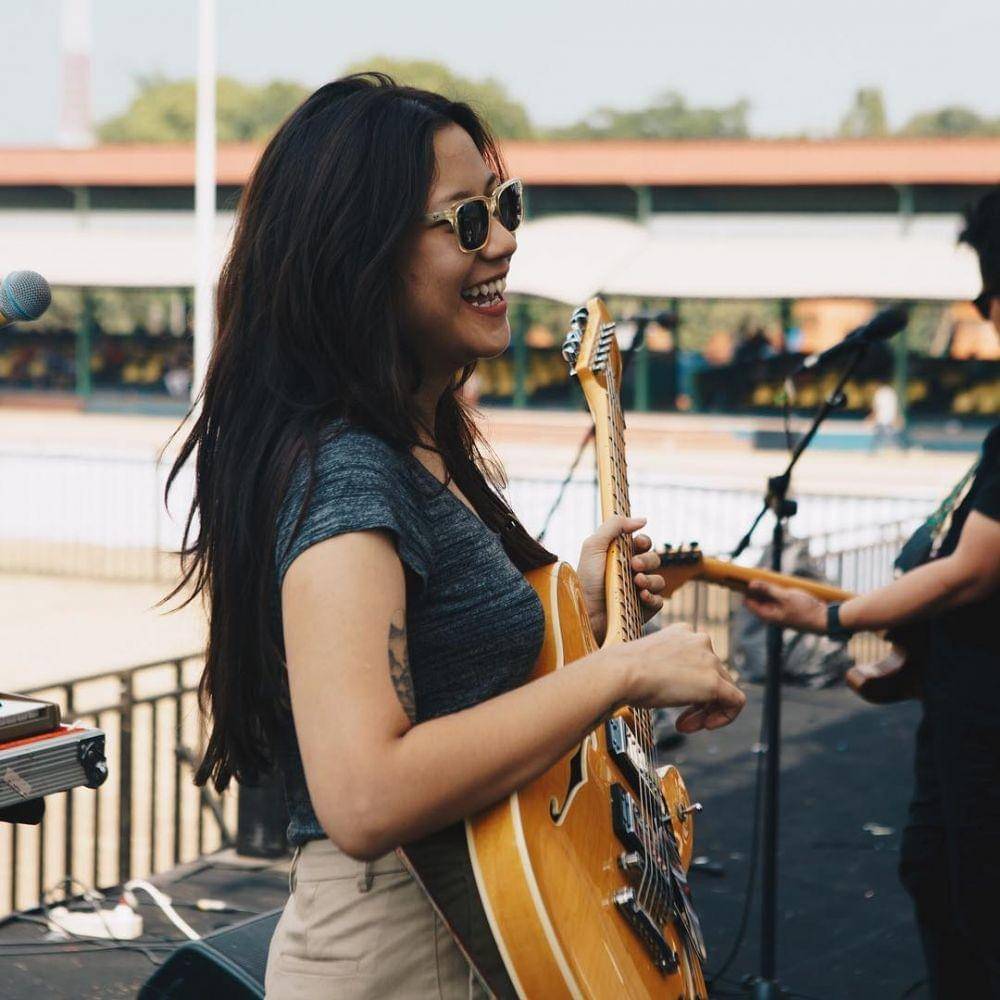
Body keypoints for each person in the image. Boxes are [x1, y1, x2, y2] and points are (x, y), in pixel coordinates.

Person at [163, 74, 745, 1000]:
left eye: (504, 207)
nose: (504, 241)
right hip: (401, 955)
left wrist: (578, 617)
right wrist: (622, 673)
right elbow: (365, 795)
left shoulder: (419, 443)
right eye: (467, 221)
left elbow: (449, 688)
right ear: (359, 253)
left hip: (470, 934)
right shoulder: (349, 472)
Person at [743, 188, 1000, 998]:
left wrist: (827, 617)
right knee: (933, 875)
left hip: (986, 724)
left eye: (987, 297)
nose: (985, 314)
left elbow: (973, 569)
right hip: (958, 705)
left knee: (978, 906)